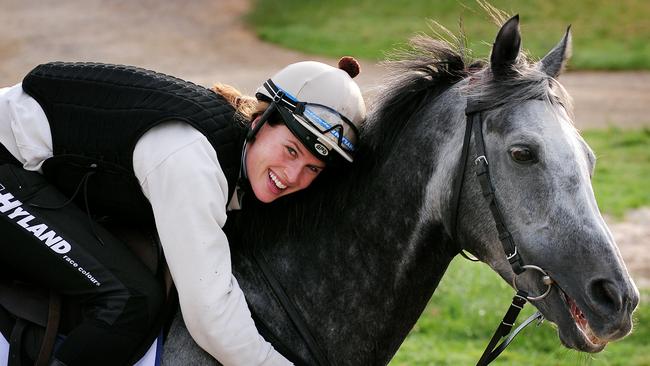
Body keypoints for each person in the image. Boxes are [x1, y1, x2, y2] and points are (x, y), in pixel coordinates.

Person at [0, 57, 366, 365]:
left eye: (312, 168)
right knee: (130, 300)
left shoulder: (235, 149)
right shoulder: (190, 160)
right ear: (260, 121)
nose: (292, 176)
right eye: (290, 150)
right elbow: (209, 317)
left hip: (30, 171)